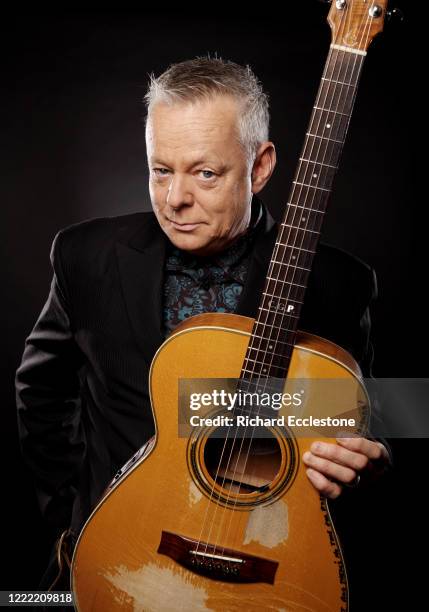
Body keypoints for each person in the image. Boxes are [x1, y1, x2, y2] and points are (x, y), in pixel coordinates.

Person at [15, 57, 390, 590]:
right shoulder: (85, 255)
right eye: (161, 170)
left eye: (206, 172)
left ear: (260, 167)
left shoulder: (340, 282)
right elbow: (40, 392)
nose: (175, 199)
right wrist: (77, 517)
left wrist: (371, 455)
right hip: (118, 553)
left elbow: (372, 410)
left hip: (262, 559)